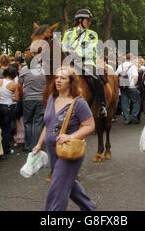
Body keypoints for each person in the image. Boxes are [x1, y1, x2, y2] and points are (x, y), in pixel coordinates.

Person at [33, 66, 97, 211]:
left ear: (71, 81)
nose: (58, 81)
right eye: (56, 77)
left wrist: (71, 136)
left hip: (69, 152)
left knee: (57, 189)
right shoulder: (51, 98)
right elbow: (47, 124)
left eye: (62, 78)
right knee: (69, 184)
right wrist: (38, 144)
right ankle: (91, 209)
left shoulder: (78, 102)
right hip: (52, 151)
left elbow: (90, 125)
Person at [61, 8, 107, 118]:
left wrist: (75, 53)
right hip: (70, 60)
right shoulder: (69, 33)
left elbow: (90, 48)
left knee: (95, 77)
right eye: (88, 20)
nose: (89, 22)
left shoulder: (92, 34)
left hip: (87, 62)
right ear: (80, 20)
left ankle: (102, 105)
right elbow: (63, 45)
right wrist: (68, 52)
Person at [18, 60, 46, 153]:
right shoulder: (45, 70)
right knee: (38, 122)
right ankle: (35, 145)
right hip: (41, 99)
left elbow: (19, 85)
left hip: (28, 99)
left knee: (27, 122)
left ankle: (27, 146)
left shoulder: (25, 69)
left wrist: (22, 94)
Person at [0, 66, 20, 155]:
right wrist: (12, 98)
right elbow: (17, 98)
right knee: (6, 129)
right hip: (8, 106)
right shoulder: (14, 85)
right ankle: (6, 148)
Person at [115, 53, 140, 125]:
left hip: (123, 86)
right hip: (131, 86)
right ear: (132, 58)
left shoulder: (120, 66)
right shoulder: (133, 66)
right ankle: (133, 116)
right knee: (137, 100)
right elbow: (135, 77)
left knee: (124, 102)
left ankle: (126, 119)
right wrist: (134, 84)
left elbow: (116, 75)